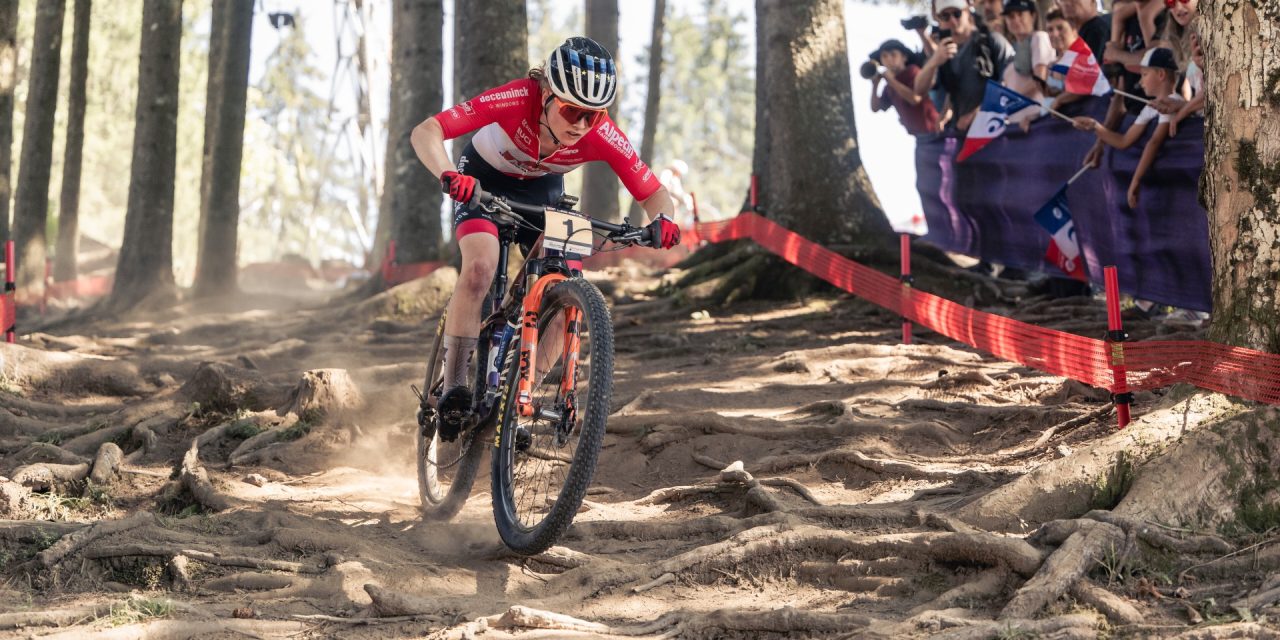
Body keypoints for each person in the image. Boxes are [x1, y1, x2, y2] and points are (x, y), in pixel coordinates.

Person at [410, 36, 680, 435]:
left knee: (569, 287)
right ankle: (454, 390)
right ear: (548, 95)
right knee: (481, 267)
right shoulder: (517, 97)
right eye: (573, 111)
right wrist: (449, 175)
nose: (583, 125)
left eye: (594, 114)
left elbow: (654, 193)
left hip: (543, 192)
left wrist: (664, 221)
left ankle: (518, 399)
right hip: (483, 180)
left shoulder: (599, 131)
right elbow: (428, 130)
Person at [1072, 48, 1179, 209]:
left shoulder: (1172, 102)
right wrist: (1095, 126)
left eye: (1144, 75)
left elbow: (1154, 142)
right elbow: (1124, 141)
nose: (1140, 82)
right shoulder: (1150, 107)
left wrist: (1135, 180)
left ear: (1161, 75)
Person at [914, 0, 1015, 133]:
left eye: (957, 14)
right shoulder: (942, 53)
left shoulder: (991, 41)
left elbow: (1012, 83)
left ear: (967, 12)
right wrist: (934, 61)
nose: (953, 21)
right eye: (945, 16)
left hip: (998, 129)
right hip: (964, 135)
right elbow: (919, 90)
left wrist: (980, 111)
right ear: (938, 19)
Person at [869, 39, 941, 136]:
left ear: (904, 57)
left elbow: (915, 99)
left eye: (893, 55)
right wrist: (875, 85)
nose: (889, 60)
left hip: (935, 130)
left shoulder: (913, 71)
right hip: (919, 136)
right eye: (884, 56)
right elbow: (876, 108)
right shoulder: (889, 86)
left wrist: (891, 81)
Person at [1000, 0, 1055, 126]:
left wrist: (1011, 99)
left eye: (1020, 14)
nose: (1016, 20)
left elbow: (1040, 78)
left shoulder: (1039, 38)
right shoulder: (1012, 51)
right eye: (1010, 16)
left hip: (1038, 122)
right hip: (1017, 126)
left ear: (1033, 16)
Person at [1044, 9, 1079, 94]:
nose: (1055, 34)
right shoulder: (1051, 66)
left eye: (1060, 28)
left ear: (1074, 30)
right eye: (1050, 30)